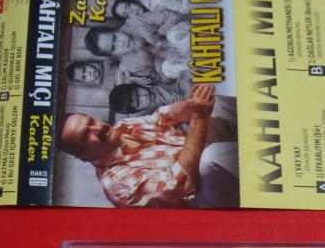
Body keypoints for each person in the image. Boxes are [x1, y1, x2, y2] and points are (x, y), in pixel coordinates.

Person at [57, 85, 238, 208]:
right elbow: (180, 182)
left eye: (91, 122)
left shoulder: (124, 126)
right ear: (85, 155)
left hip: (198, 153)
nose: (98, 128)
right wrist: (198, 117)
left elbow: (165, 116)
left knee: (216, 105)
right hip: (201, 200)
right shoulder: (116, 184)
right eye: (86, 135)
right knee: (211, 158)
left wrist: (197, 99)